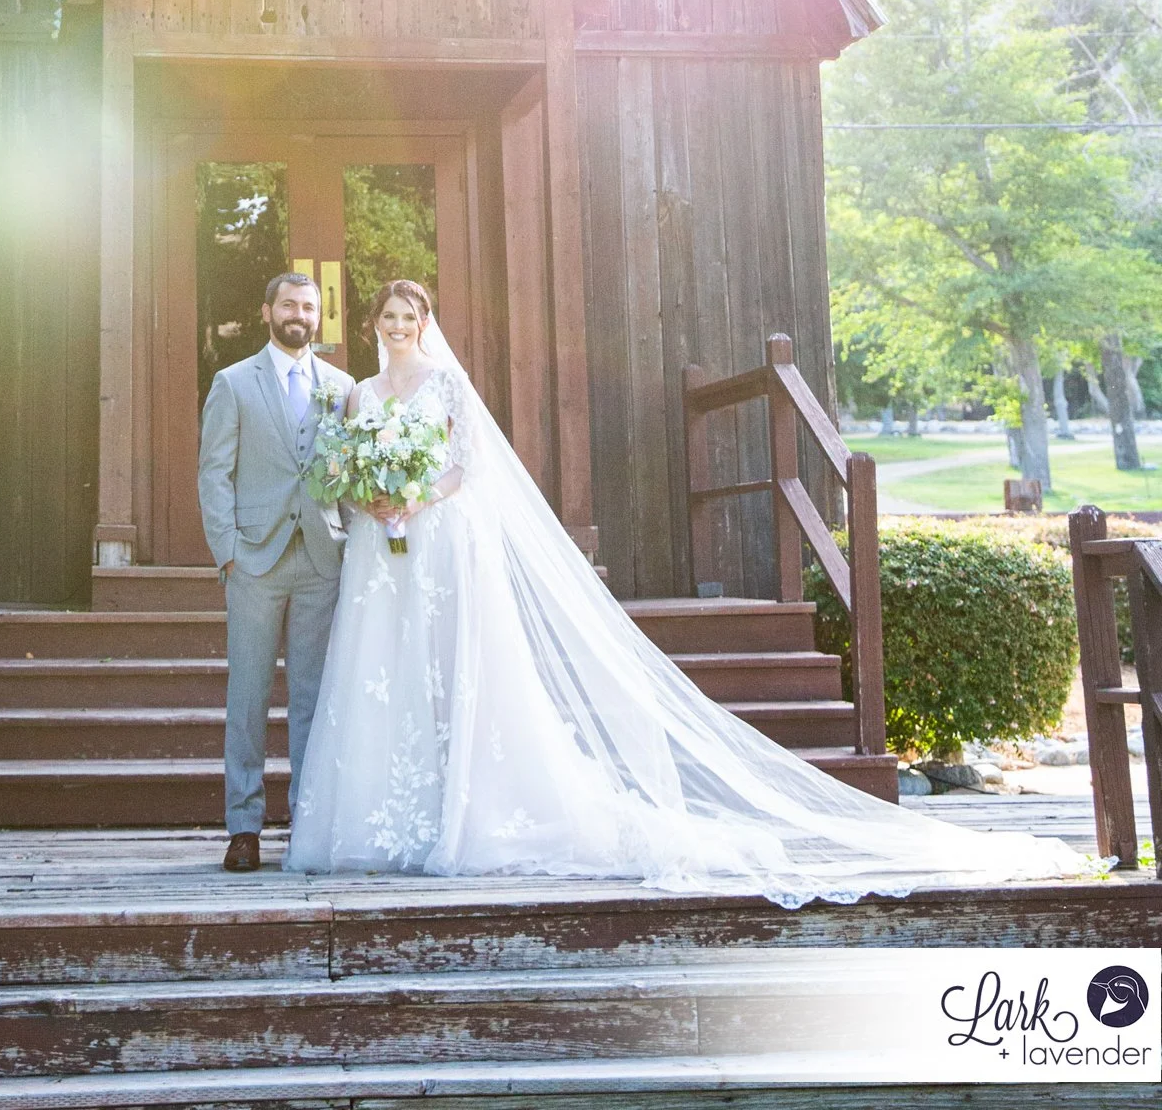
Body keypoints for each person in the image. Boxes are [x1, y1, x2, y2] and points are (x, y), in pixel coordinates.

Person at [286, 279, 1079, 901]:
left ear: (424, 323)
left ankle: (461, 813)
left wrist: (417, 499)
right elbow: (345, 474)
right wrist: (372, 500)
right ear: (372, 325)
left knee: (449, 670)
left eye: (407, 316)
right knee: (382, 676)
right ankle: (378, 825)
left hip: (438, 541)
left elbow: (466, 467)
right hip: (378, 553)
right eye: (387, 317)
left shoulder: (446, 387)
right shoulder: (358, 394)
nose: (396, 326)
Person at [197, 270, 350, 873]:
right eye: (289, 305)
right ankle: (244, 826)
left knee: (313, 698)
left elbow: (347, 474)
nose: (299, 315)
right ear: (267, 312)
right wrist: (227, 550)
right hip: (254, 560)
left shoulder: (341, 387)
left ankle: (307, 825)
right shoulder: (233, 383)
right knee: (249, 695)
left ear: (318, 317)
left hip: (320, 558)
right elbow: (214, 472)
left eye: (309, 308)